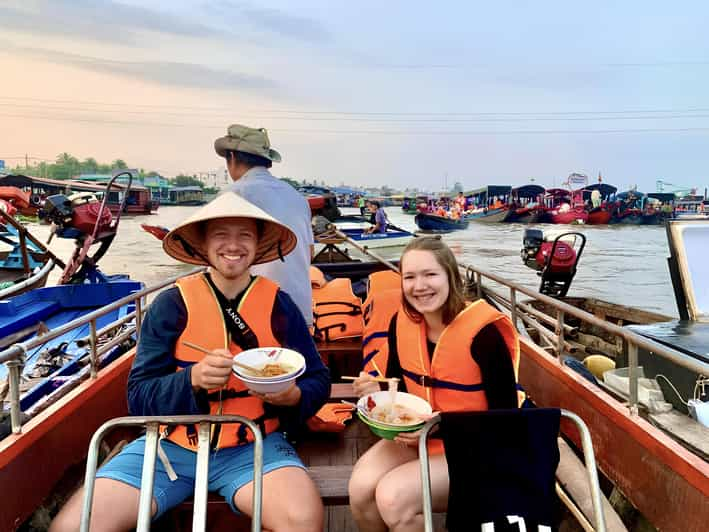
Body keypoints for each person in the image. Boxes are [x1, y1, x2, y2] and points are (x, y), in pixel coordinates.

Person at [51, 192, 330, 532]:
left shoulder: (280, 305)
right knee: (71, 527)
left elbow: (317, 379)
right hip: (170, 446)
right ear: (202, 244)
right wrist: (193, 379)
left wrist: (294, 397)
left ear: (258, 244)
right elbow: (138, 397)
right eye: (220, 235)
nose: (234, 245)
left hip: (254, 444)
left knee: (303, 522)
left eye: (245, 235)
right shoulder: (171, 305)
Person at [348, 236, 520, 531]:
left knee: (392, 498)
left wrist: (442, 427)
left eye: (430, 274)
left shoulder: (484, 335)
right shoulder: (399, 323)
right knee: (361, 489)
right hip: (417, 437)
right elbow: (397, 386)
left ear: (451, 277)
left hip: (475, 447)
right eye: (410, 277)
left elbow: (506, 421)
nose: (419, 286)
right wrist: (377, 390)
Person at [215, 124, 315, 327]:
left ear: (232, 157)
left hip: (252, 319)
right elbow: (310, 253)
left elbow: (219, 265)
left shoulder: (233, 194)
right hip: (300, 313)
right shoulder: (297, 197)